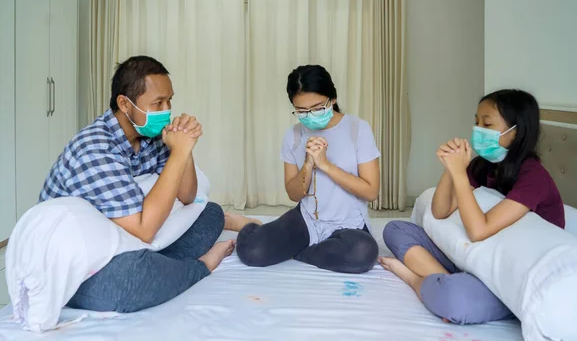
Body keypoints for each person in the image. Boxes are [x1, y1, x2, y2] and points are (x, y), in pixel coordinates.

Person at [39, 55, 257, 313]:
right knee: (129, 281)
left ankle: (163, 268)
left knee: (210, 213)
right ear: (125, 103)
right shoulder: (95, 148)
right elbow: (144, 230)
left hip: (126, 238)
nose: (166, 110)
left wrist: (184, 147)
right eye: (157, 103)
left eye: (169, 101)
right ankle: (202, 266)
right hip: (77, 262)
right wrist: (178, 153)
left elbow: (188, 197)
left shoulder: (147, 135)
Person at [380, 89, 565, 324]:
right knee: (395, 229)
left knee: (456, 300)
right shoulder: (484, 165)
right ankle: (446, 280)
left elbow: (479, 231)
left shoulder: (534, 177)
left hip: (508, 276)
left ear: (516, 131)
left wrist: (459, 173)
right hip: (475, 258)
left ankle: (416, 281)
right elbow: (440, 211)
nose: (478, 131)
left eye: (487, 124)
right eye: (476, 122)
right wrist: (450, 169)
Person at [236, 65, 380, 273]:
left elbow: (371, 191)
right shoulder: (293, 136)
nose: (310, 116)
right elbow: (294, 194)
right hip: (307, 219)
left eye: (318, 107)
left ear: (333, 99)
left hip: (349, 222)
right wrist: (309, 164)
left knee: (363, 253)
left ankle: (301, 252)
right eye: (302, 111)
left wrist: (326, 165)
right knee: (253, 251)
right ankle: (252, 226)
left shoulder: (358, 129)